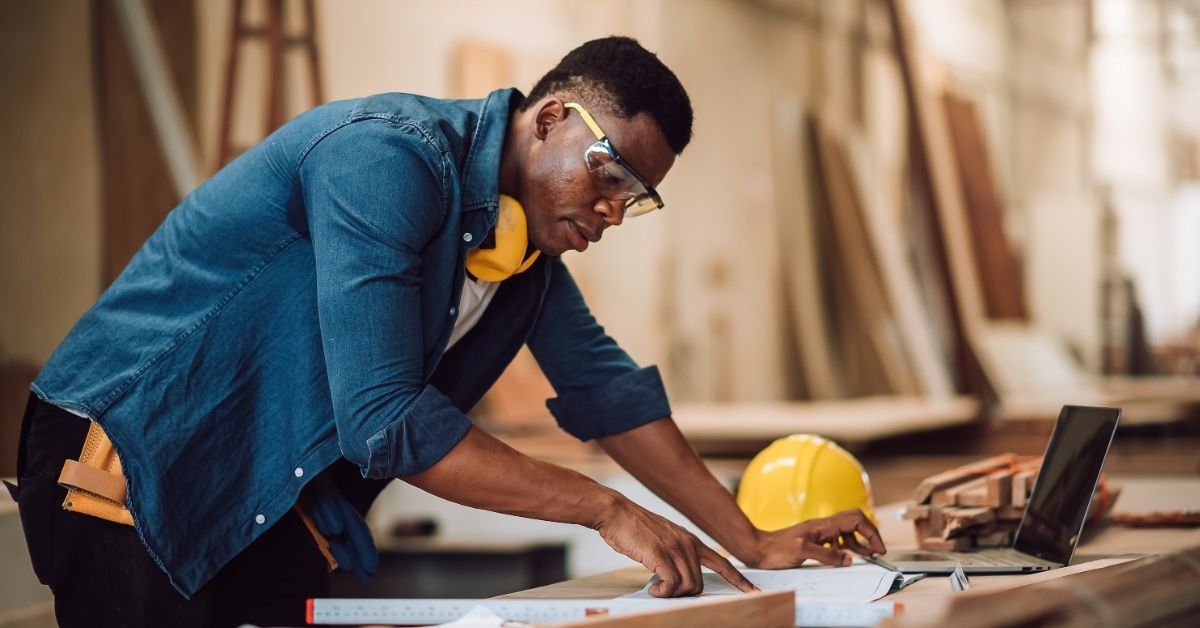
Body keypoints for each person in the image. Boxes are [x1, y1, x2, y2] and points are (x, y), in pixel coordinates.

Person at [13, 36, 885, 627]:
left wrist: (751, 539)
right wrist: (609, 510)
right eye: (608, 174)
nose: (615, 211)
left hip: (257, 480)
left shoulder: (524, 256)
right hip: (128, 451)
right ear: (549, 119)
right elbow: (385, 418)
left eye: (636, 196)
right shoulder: (386, 160)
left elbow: (608, 392)